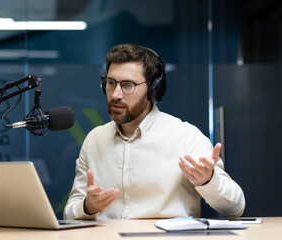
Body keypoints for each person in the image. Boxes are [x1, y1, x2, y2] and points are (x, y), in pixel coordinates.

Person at [63, 43, 245, 220]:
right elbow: (69, 213)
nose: (116, 94)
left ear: (153, 90)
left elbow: (236, 207)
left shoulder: (186, 137)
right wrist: (87, 206)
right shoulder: (95, 139)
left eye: (128, 85)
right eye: (111, 83)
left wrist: (208, 181)